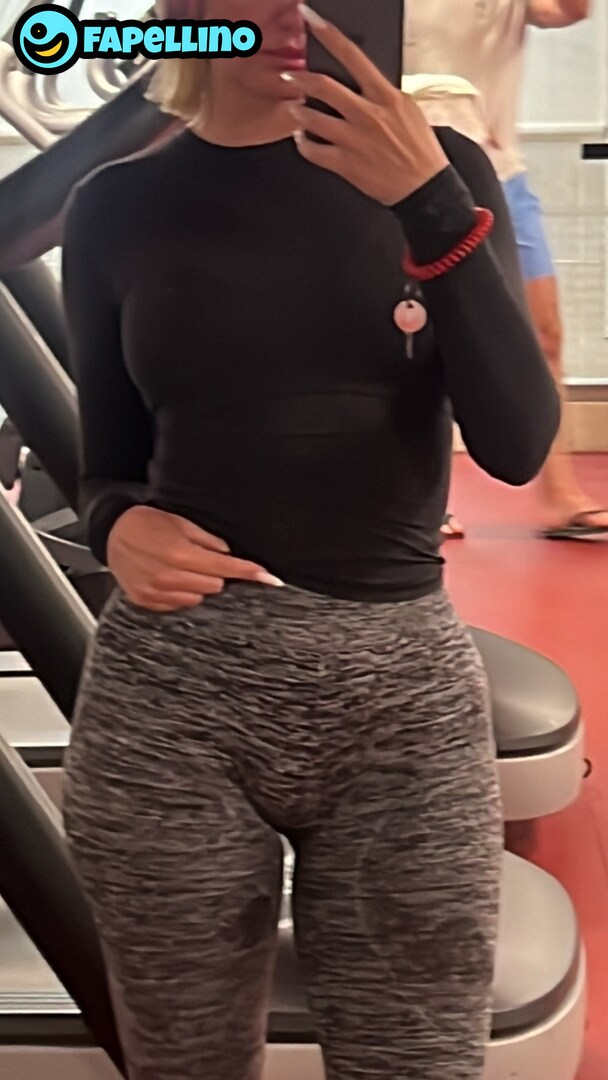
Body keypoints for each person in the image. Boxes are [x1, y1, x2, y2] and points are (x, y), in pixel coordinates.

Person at [60, 2, 560, 1079]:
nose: (296, 11)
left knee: (418, 1062)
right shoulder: (117, 203)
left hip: (400, 705)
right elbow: (108, 464)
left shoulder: (444, 172)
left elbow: (517, 443)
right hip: (174, 700)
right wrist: (115, 524)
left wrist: (429, 202)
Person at [405, 0, 608, 541]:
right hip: (402, 169)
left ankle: (561, 496)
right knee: (411, 340)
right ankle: (424, 499)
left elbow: (566, 10)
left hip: (497, 171)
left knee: (544, 331)